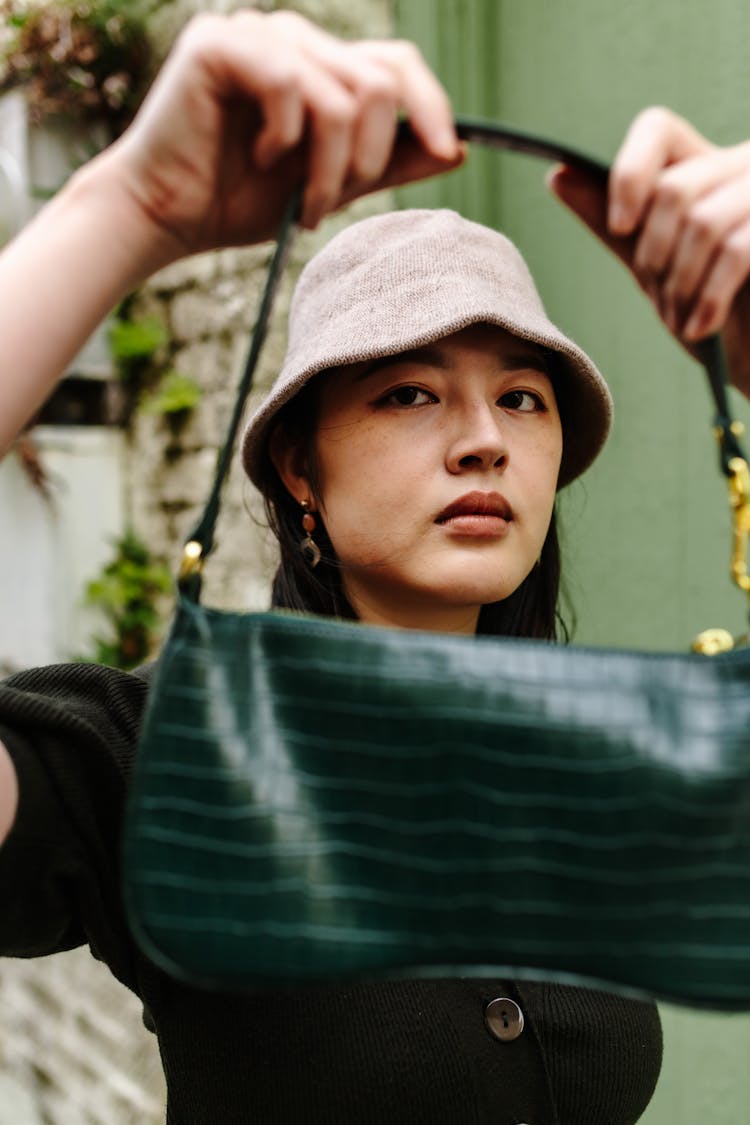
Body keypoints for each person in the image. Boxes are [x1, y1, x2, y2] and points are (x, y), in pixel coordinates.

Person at [1, 8, 750, 1124]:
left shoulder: (613, 759)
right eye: (409, 392)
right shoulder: (170, 762)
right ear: (300, 468)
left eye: (522, 398)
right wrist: (131, 209)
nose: (483, 436)